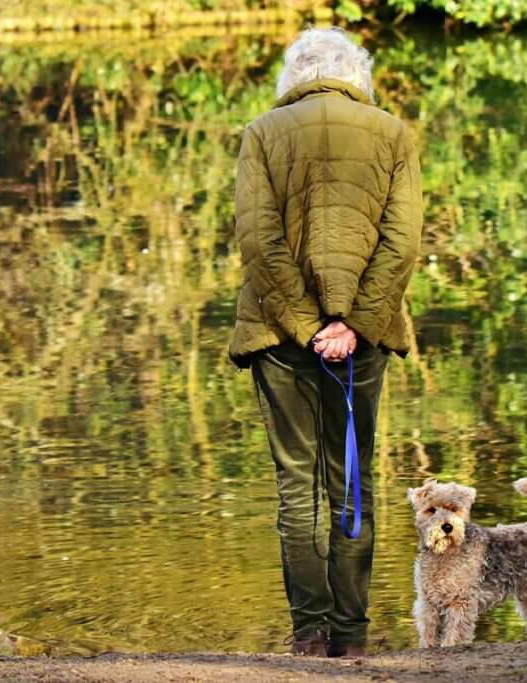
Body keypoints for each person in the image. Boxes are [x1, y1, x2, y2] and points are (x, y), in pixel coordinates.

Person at [229, 27, 423, 657]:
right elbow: (402, 244)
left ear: (295, 75)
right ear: (354, 74)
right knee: (353, 480)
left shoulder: (262, 132)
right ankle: (354, 637)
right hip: (360, 340)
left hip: (278, 335)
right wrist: (353, 325)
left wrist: (308, 326)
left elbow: (258, 241)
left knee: (297, 484)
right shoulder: (393, 132)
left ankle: (310, 637)